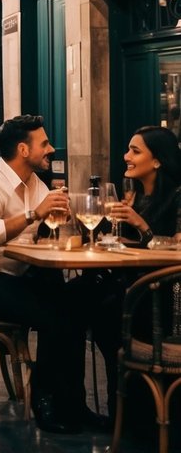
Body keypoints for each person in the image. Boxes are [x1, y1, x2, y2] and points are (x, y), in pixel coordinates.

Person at [0, 114, 88, 435]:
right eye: (44, 144)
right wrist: (35, 213)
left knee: (75, 308)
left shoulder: (37, 184)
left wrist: (60, 220)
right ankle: (44, 401)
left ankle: (75, 405)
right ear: (23, 149)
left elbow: (42, 237)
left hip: (21, 275)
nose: (50, 149)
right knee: (55, 316)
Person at [78, 125, 181, 419]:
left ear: (158, 160)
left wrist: (140, 225)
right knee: (80, 302)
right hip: (136, 290)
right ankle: (112, 405)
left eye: (135, 151)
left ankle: (127, 410)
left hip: (164, 300)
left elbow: (177, 249)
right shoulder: (134, 197)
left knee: (104, 314)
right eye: (128, 149)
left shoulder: (177, 196)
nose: (126, 156)